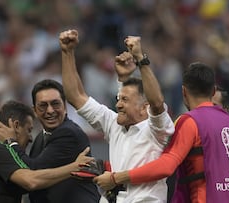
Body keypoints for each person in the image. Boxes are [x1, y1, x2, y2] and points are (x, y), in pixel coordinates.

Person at [94, 62, 229, 203]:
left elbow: (166, 166)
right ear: (213, 91)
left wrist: (117, 178)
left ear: (183, 91)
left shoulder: (190, 121)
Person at [60, 29, 174, 202]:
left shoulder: (157, 131)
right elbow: (75, 97)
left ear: (144, 107)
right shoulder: (113, 124)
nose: (118, 104)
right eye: (118, 99)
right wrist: (67, 53)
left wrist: (140, 59)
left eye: (125, 100)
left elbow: (157, 103)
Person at [0, 100, 94, 203]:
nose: (30, 138)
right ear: (16, 126)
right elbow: (31, 180)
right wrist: (75, 167)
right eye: (29, 130)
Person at [0, 79, 100, 203]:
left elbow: (32, 172)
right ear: (35, 111)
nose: (50, 111)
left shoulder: (68, 134)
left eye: (55, 104)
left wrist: (10, 141)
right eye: (43, 105)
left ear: (65, 107)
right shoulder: (40, 137)